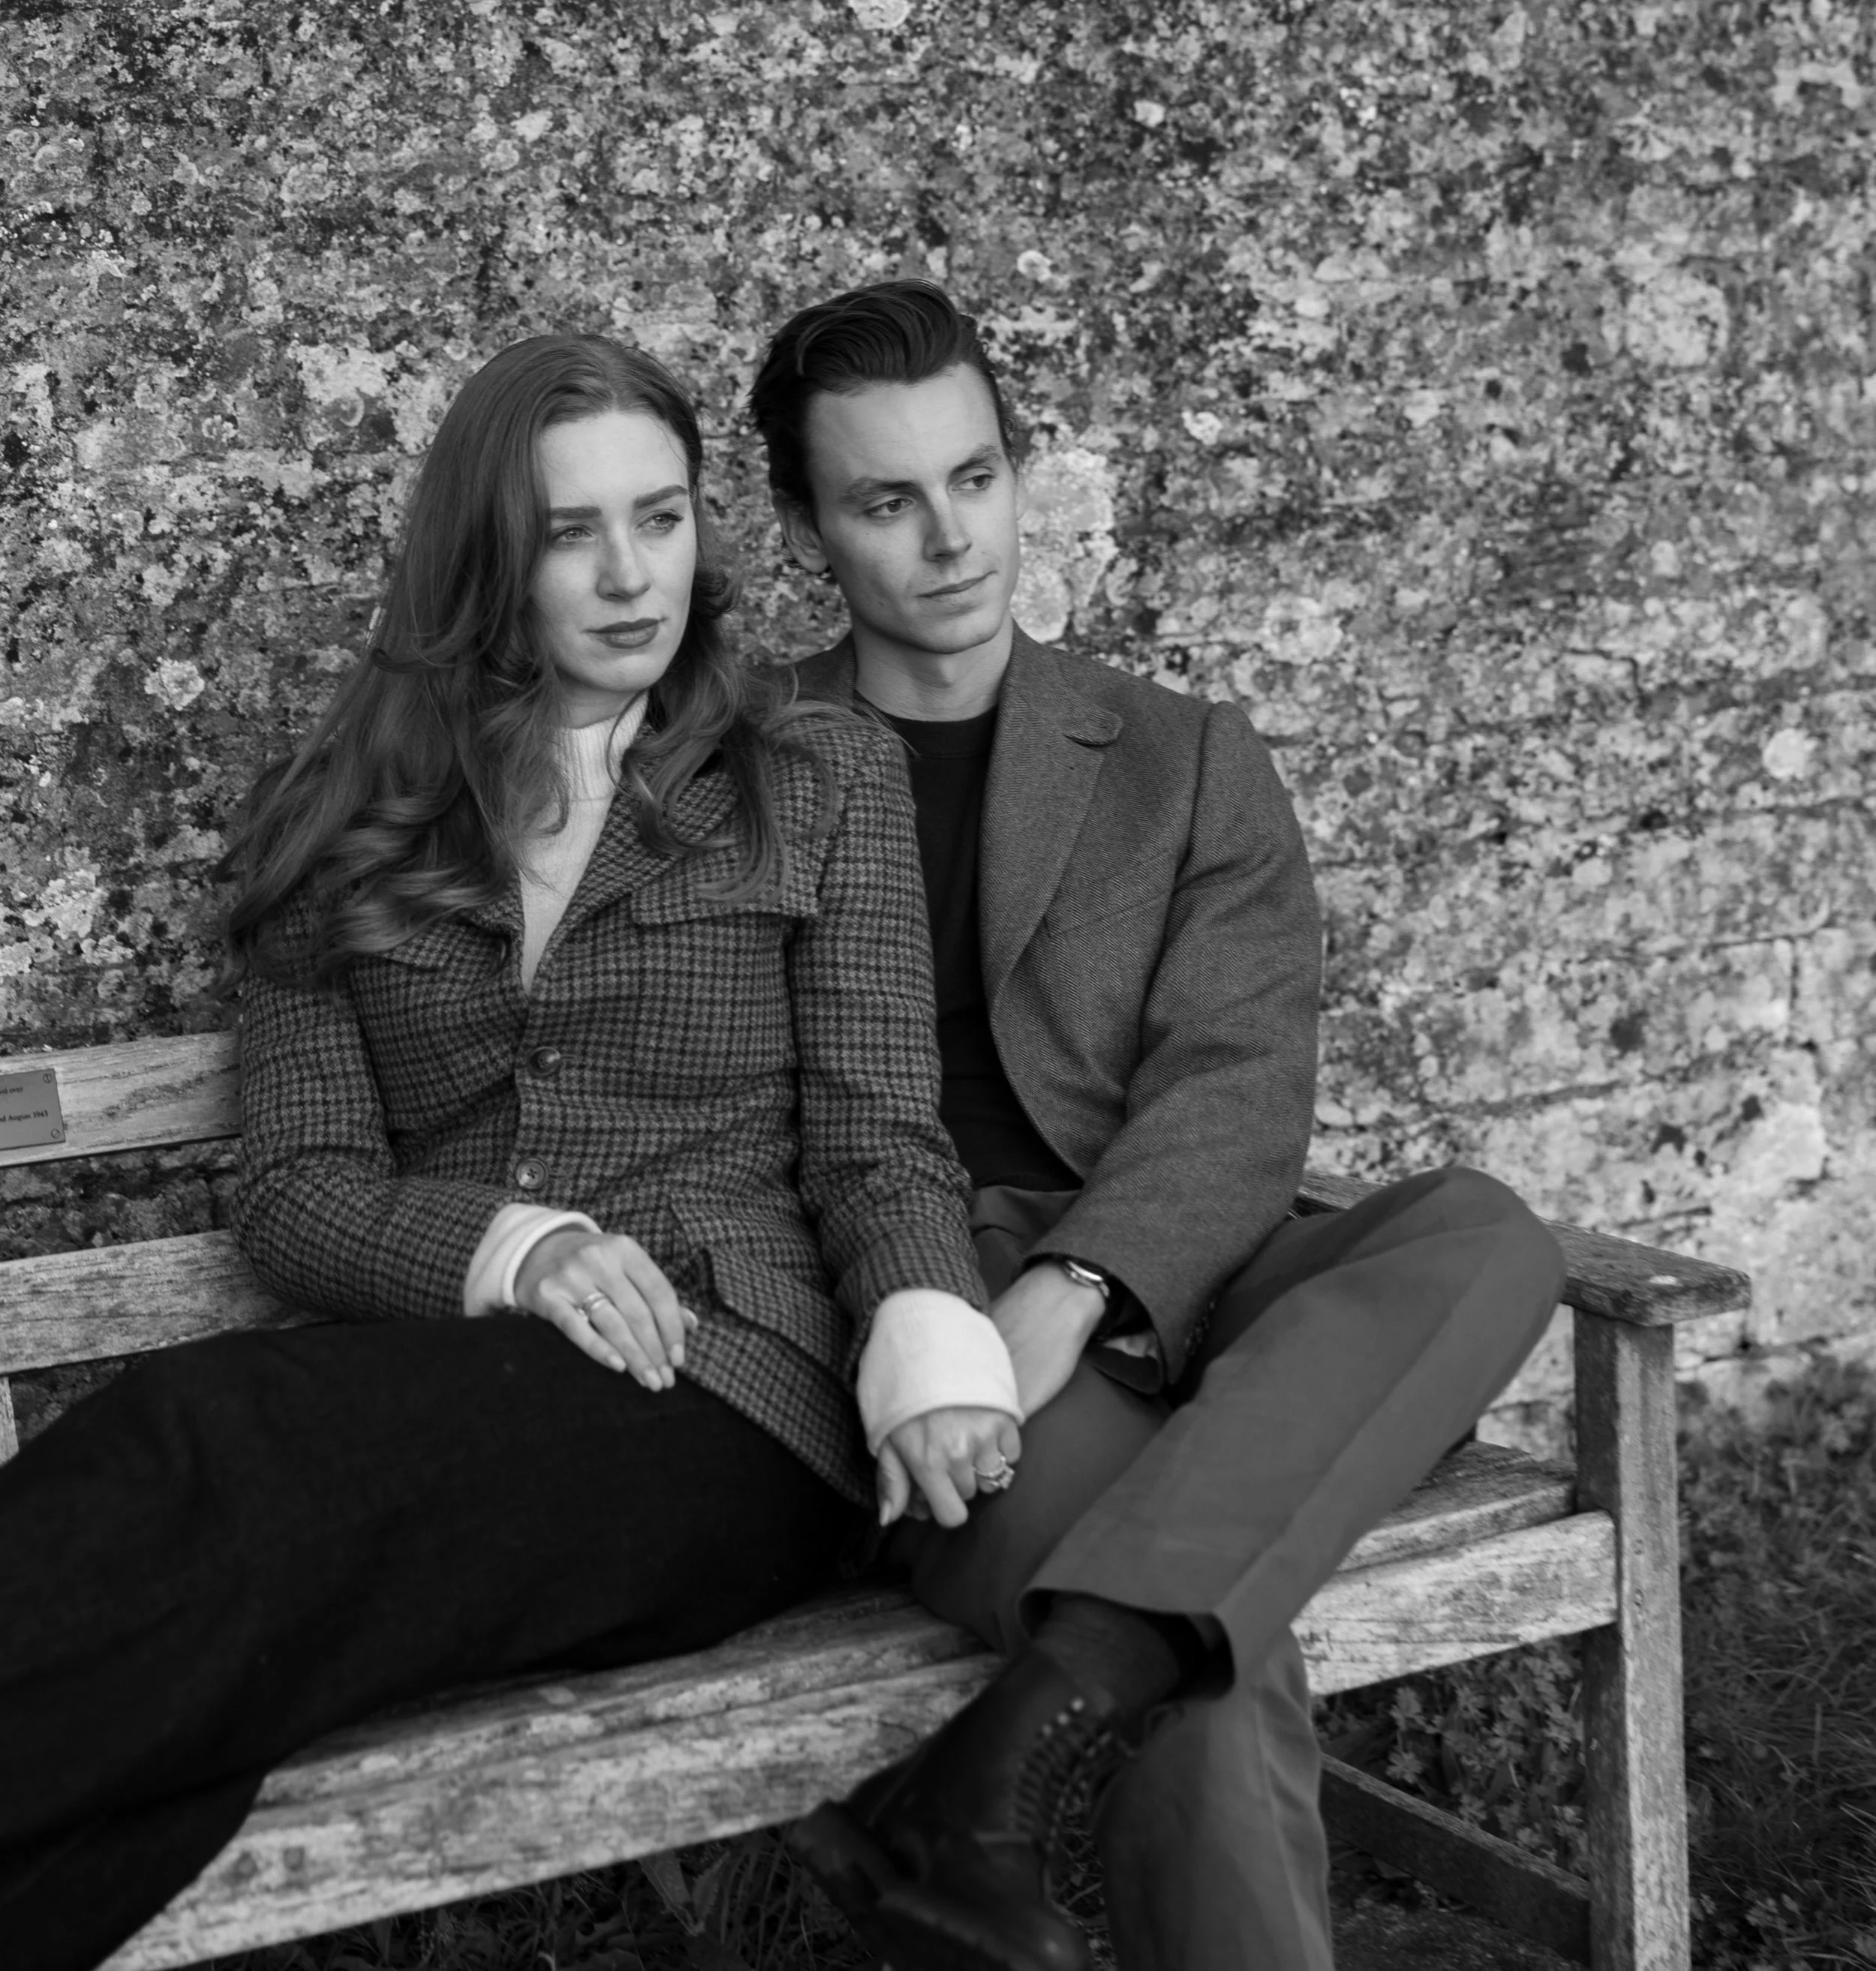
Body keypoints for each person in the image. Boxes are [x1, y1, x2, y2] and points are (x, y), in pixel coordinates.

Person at [0, 332, 1022, 1971]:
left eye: (663, 518)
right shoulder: (338, 819)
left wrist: (929, 1339)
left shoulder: (816, 778)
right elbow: (296, 1190)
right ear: (488, 553)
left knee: (225, 1454)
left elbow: (878, 1143)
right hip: (445, 1393)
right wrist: (518, 1247)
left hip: (725, 1395)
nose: (631, 577)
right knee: (204, 1679)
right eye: (571, 533)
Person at [747, 281, 1567, 1971]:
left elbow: (1237, 1081)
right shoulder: (736, 767)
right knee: (1192, 1653)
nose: (949, 542)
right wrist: (968, 1322)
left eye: (973, 478)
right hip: (924, 1307)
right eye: (885, 502)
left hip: (1172, 1262)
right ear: (803, 525)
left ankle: (988, 1753)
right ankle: (1045, 1720)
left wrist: (1082, 1287)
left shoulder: (1180, 755)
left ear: (1017, 467)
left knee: (1482, 1229)